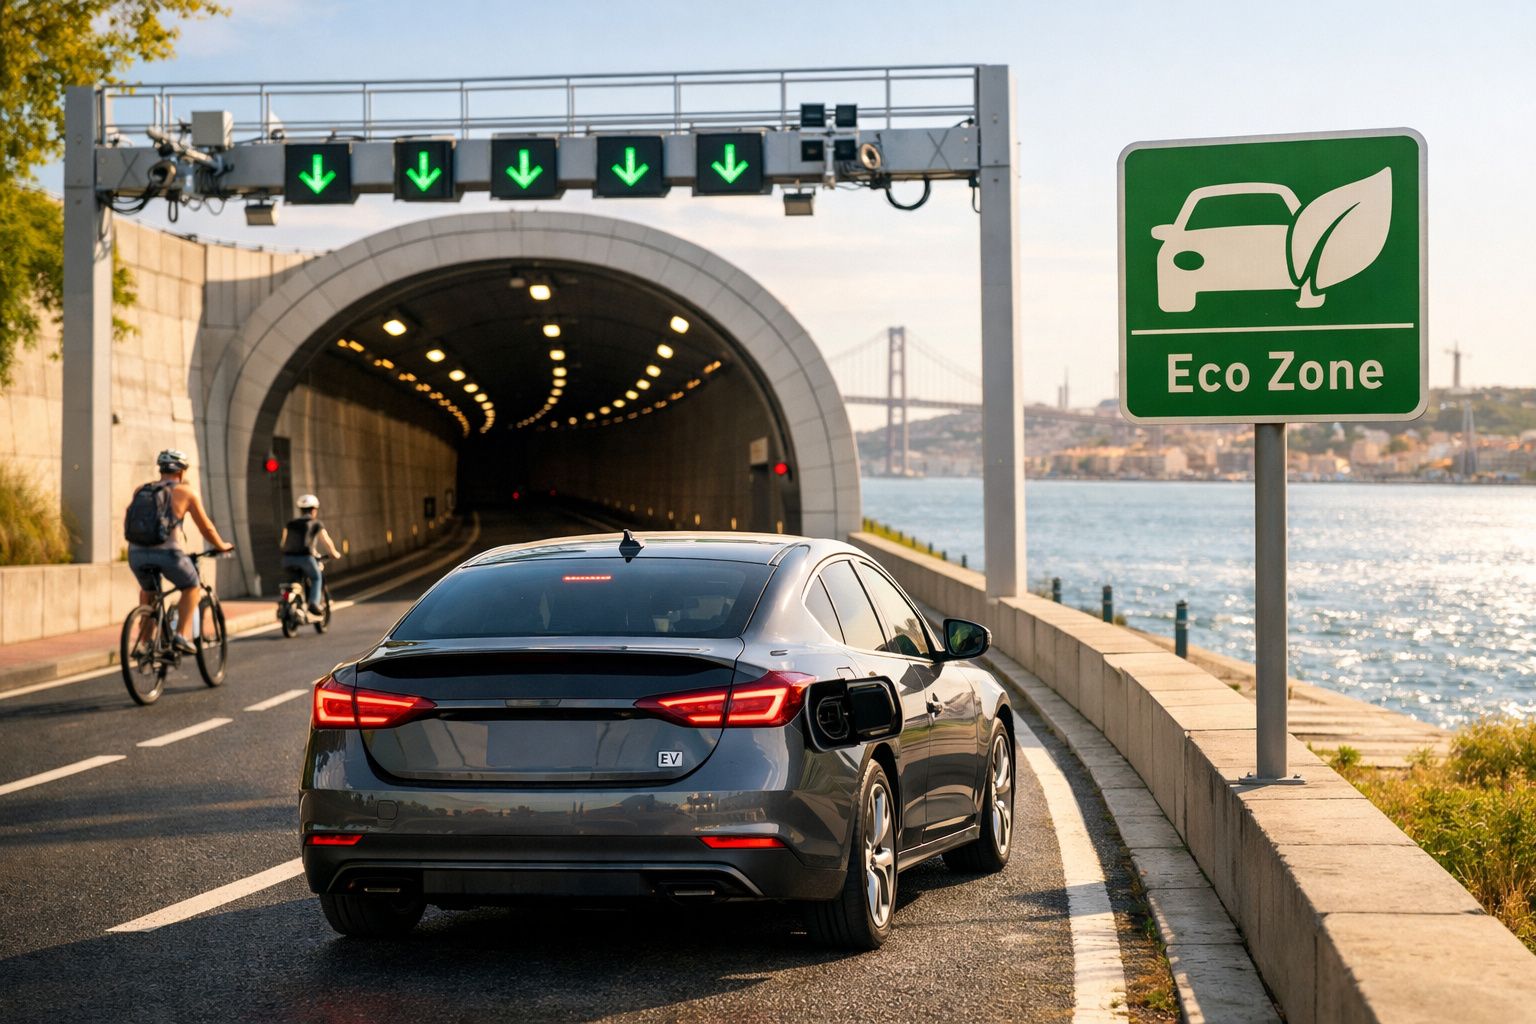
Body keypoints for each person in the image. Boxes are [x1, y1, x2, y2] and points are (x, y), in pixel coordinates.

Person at [124, 449, 234, 654]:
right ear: (182, 472)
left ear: (161, 469)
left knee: (149, 591)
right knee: (191, 586)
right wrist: (221, 545)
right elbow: (206, 528)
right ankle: (181, 635)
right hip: (168, 555)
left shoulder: (141, 490)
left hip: (136, 554)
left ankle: (145, 643)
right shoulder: (185, 492)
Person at [280, 494, 341, 615]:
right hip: (305, 559)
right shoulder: (315, 523)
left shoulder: (290, 524)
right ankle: (313, 603)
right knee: (316, 578)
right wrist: (334, 553)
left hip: (287, 559)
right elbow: (326, 541)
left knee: (294, 582)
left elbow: (283, 543)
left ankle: (297, 603)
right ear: (314, 510)